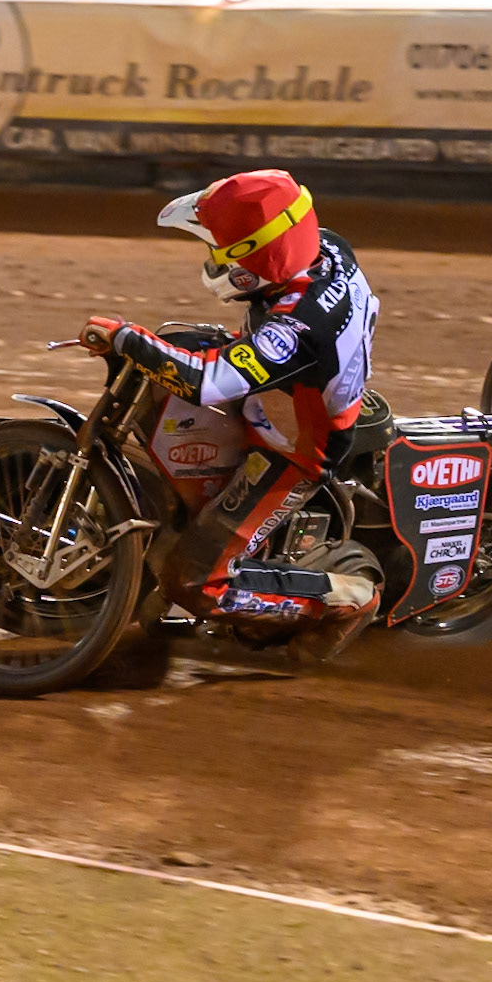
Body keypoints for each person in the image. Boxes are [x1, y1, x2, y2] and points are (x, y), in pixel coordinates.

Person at [79, 169, 382, 662]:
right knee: (168, 360)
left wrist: (126, 338)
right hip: (286, 387)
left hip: (295, 446)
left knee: (193, 581)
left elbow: (209, 382)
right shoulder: (325, 246)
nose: (212, 260)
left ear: (257, 259)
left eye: (221, 252)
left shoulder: (297, 329)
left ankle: (347, 600)